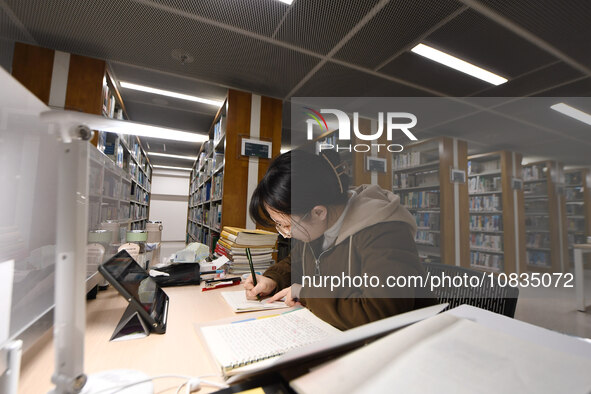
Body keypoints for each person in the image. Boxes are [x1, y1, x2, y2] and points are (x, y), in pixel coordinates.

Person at [245, 149, 436, 330]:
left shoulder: (385, 232)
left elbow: (380, 314)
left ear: (318, 212)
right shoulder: (317, 227)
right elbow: (295, 263)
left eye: (286, 225)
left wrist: (306, 292)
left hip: (406, 345)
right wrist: (272, 279)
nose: (284, 233)